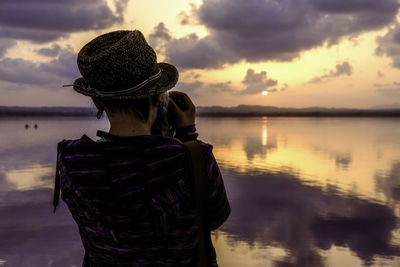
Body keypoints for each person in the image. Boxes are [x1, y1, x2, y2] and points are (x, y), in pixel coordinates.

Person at [53, 30, 230, 266]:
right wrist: (187, 137)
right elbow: (214, 218)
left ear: (97, 100)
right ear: (157, 96)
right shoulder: (193, 159)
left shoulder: (72, 161)